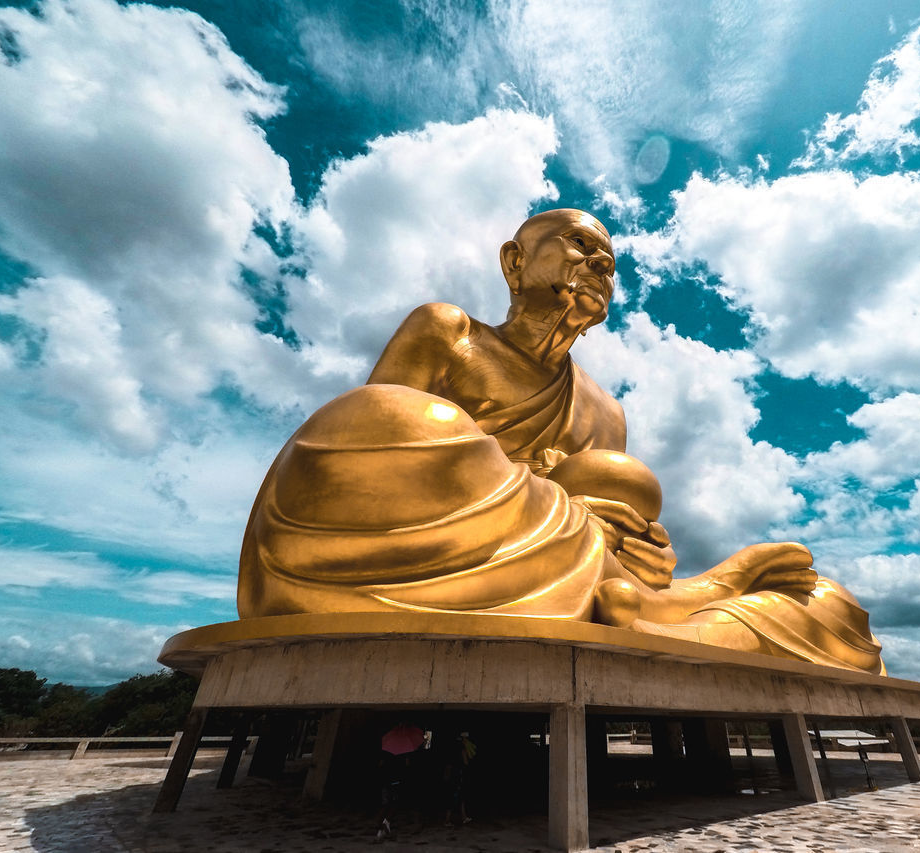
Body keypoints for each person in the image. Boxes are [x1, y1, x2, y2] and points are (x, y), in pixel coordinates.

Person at [238, 209, 884, 674]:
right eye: (578, 245)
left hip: (566, 573)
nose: (601, 263)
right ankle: (698, 593)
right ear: (514, 262)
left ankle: (681, 596)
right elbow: (374, 472)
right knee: (390, 417)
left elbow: (609, 519)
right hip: (410, 556)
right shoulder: (449, 332)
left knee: (823, 600)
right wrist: (555, 501)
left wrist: (639, 550)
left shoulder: (604, 408)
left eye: (608, 259)